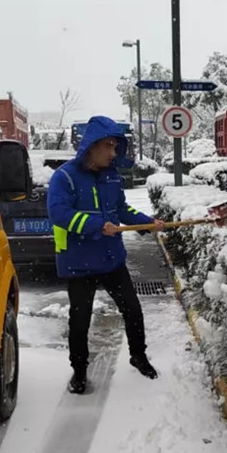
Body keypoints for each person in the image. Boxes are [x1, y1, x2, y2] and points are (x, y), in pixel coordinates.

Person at [47, 115, 165, 393]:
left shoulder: (112, 176)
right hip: (79, 263)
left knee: (132, 310)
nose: (113, 153)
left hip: (112, 259)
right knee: (80, 321)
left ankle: (138, 356)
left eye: (115, 146)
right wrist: (97, 225)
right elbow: (59, 213)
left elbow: (121, 209)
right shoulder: (65, 177)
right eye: (108, 146)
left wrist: (146, 223)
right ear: (92, 146)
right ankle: (79, 371)